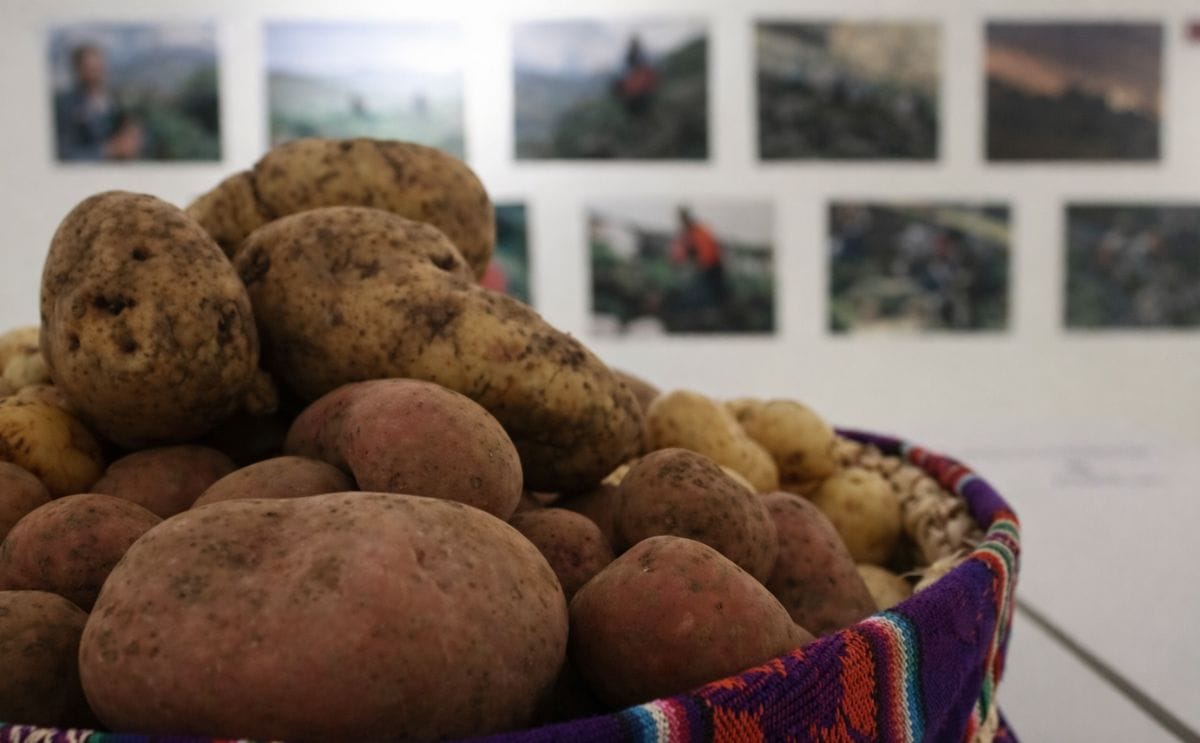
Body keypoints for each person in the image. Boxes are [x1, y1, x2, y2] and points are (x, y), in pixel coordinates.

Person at [54, 43, 144, 160]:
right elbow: (66, 154)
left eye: (99, 67)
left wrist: (135, 139)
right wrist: (109, 150)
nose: (97, 73)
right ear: (78, 70)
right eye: (91, 68)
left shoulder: (116, 100)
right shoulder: (66, 105)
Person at [670, 207, 728, 308]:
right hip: (711, 268)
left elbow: (705, 254)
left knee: (708, 295)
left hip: (711, 269)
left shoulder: (697, 232)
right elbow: (683, 252)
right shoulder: (695, 231)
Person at [612, 34, 659, 116]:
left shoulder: (643, 60)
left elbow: (648, 78)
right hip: (636, 95)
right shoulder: (632, 61)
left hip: (642, 95)